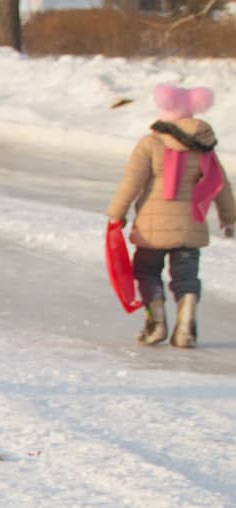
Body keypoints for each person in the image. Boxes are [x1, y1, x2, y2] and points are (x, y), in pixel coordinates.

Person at [108, 84, 235, 350]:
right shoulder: (204, 147)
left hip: (152, 230)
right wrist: (229, 217)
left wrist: (116, 214)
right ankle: (186, 322)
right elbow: (221, 184)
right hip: (192, 225)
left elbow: (132, 182)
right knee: (186, 275)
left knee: (146, 270)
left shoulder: (151, 143)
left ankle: (156, 324)